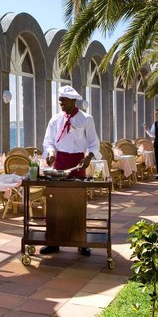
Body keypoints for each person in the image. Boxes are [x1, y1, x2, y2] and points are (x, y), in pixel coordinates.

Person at [41, 85, 101, 256]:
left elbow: (94, 143)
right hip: (59, 163)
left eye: (64, 100)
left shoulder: (86, 119)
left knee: (77, 202)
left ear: (73, 101)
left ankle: (81, 242)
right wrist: (51, 153)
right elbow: (48, 141)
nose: (61, 103)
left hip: (77, 163)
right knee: (55, 203)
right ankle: (53, 241)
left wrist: (88, 157)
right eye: (60, 100)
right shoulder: (55, 120)